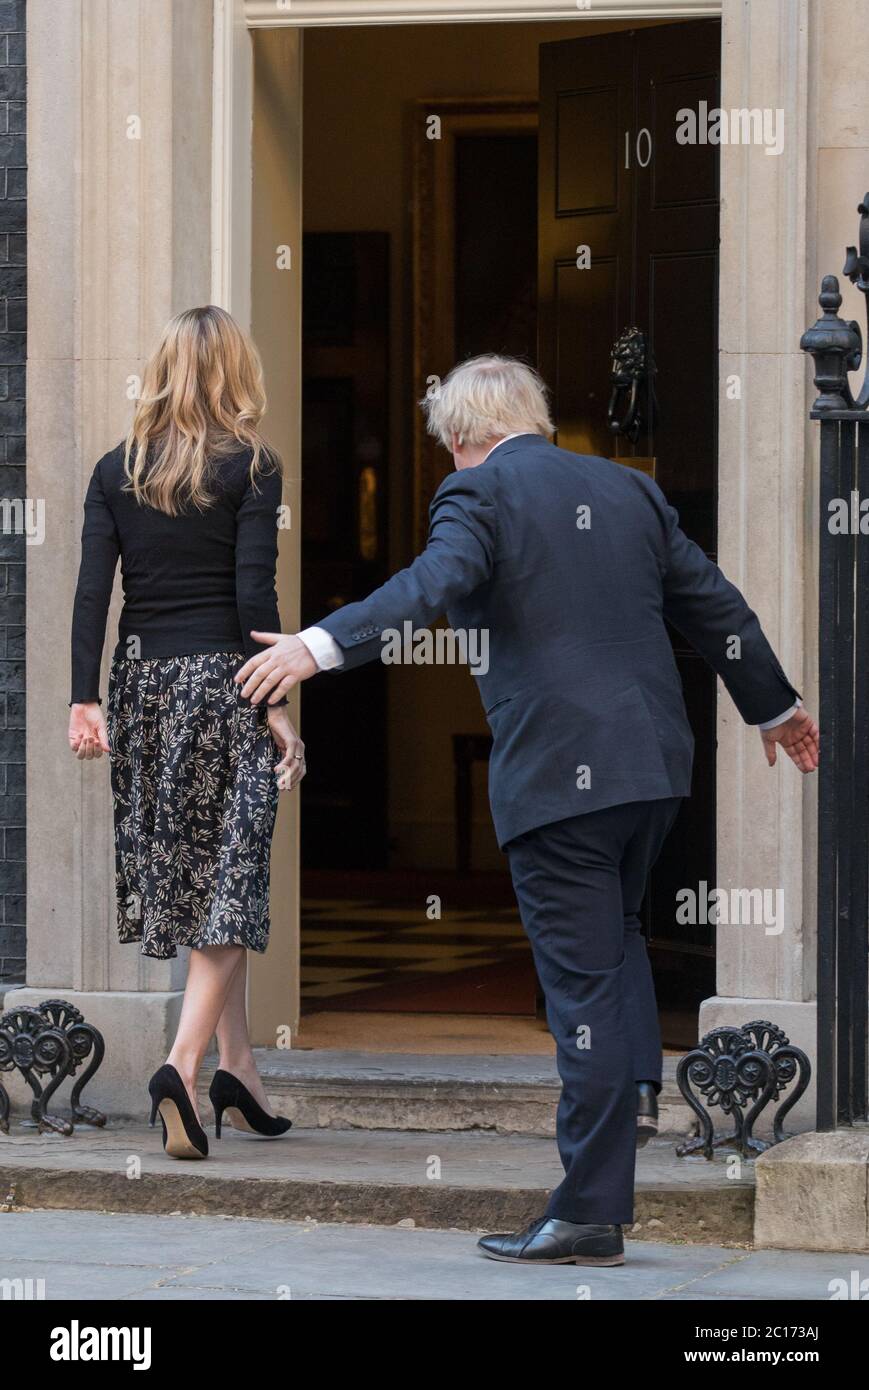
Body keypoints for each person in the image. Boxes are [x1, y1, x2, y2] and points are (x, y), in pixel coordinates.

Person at [235, 354, 819, 1266]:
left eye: (447, 451)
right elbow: (714, 604)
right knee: (616, 937)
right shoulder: (626, 490)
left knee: (579, 985)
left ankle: (588, 1209)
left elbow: (430, 586)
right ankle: (627, 1089)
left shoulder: (479, 493)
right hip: (652, 767)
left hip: (560, 779)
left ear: (462, 437)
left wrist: (317, 645)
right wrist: (774, 707)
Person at [68, 305, 303, 1160]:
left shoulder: (113, 469)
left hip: (142, 688)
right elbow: (254, 596)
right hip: (222, 682)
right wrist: (275, 705)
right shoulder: (251, 466)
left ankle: (237, 1073)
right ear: (236, 372)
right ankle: (181, 1065)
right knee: (228, 886)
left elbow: (93, 594)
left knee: (203, 878)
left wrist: (82, 701)